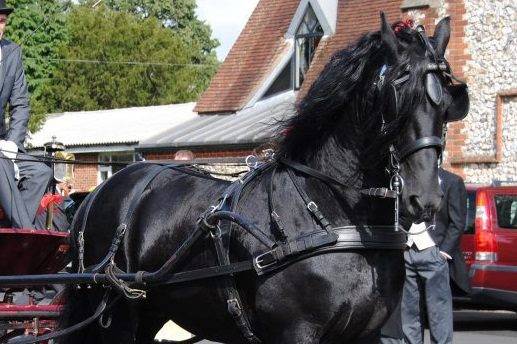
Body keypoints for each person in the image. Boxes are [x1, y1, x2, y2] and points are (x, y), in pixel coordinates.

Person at [401, 168, 469, 344]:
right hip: (407, 251)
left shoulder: (452, 181)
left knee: (438, 312)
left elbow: (458, 221)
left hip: (434, 252)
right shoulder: (404, 178)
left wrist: (444, 252)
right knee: (409, 311)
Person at [0, 0, 52, 229]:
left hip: (4, 143)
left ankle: (14, 230)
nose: (0, 27)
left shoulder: (12, 52)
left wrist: (12, 142)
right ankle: (25, 233)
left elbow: (20, 104)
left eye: (2, 21)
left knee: (41, 172)